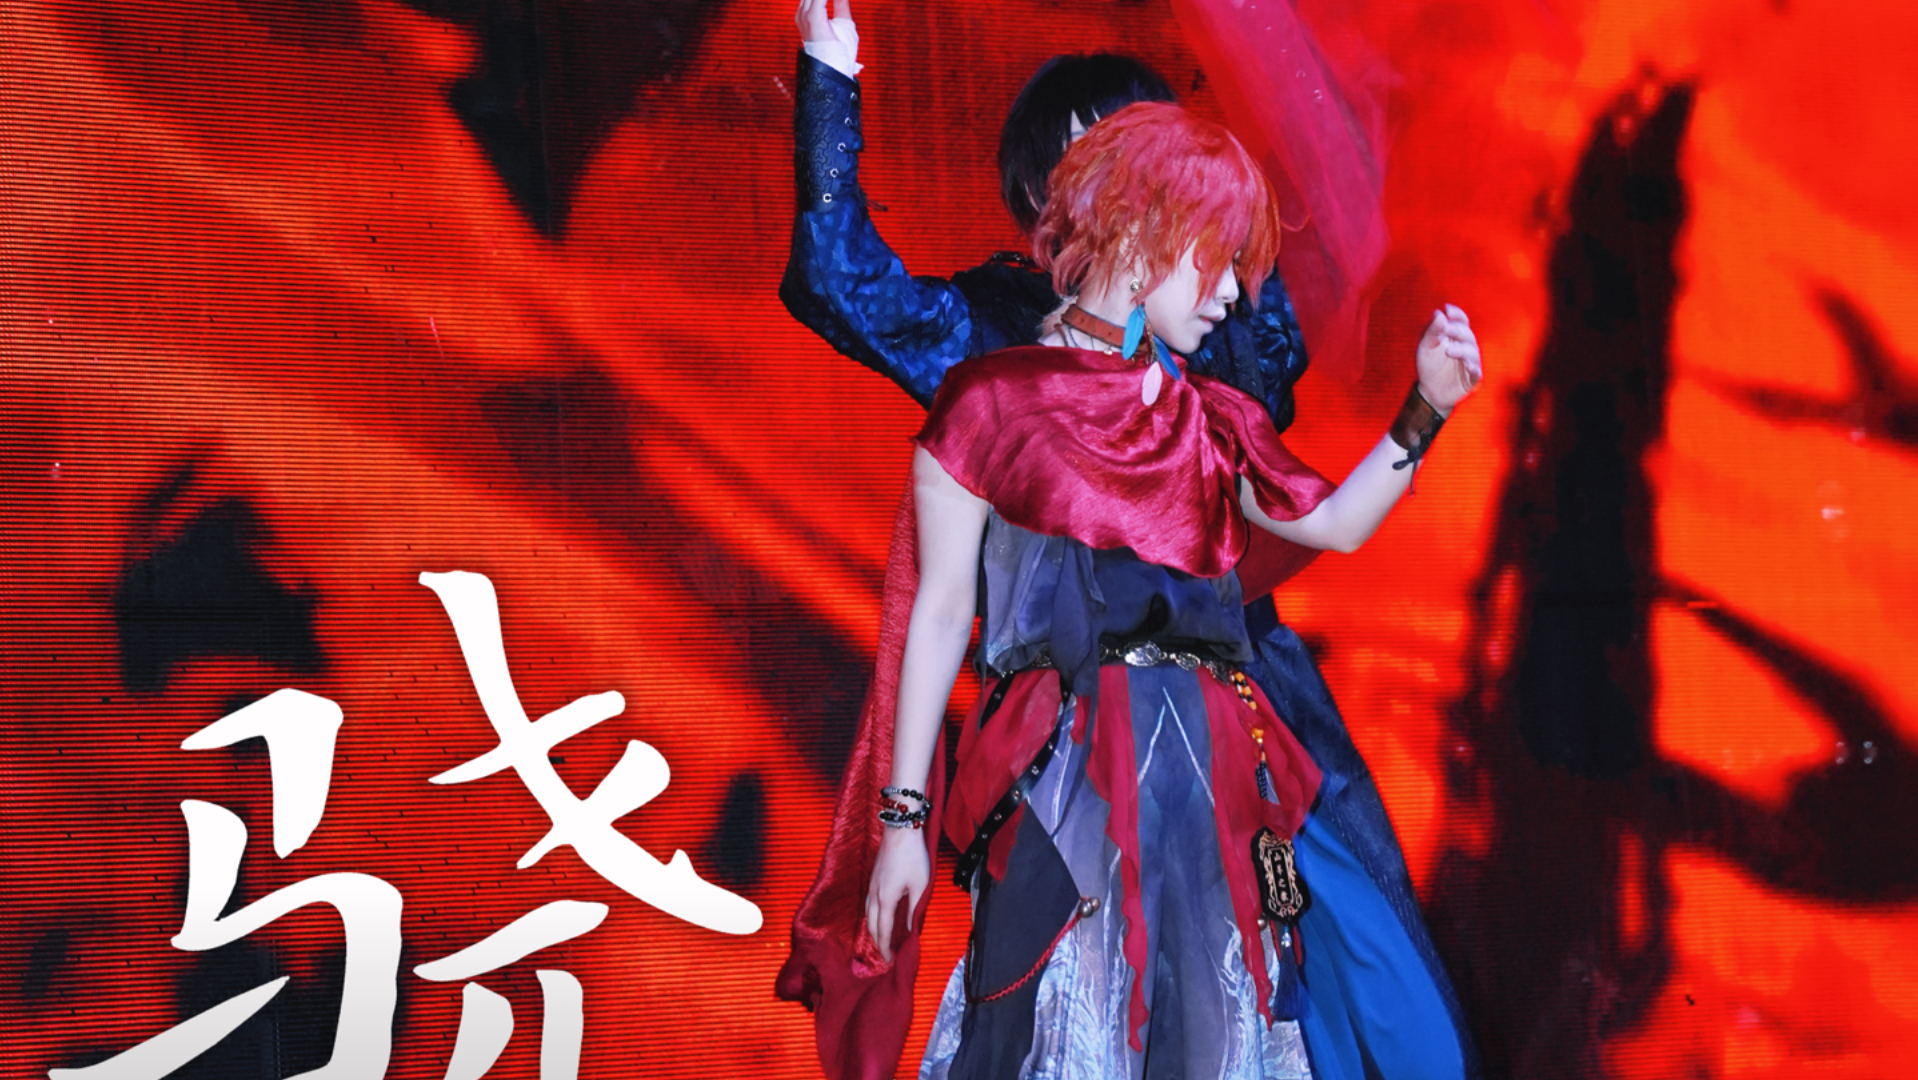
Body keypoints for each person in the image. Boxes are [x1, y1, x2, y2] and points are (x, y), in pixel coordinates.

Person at [777, 4, 1482, 1079]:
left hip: (1246, 706)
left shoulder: (1216, 357)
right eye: (1119, 156)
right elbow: (842, 283)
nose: (1146, 174)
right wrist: (830, 77)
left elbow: (1318, 502)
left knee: (1353, 991)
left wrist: (1421, 410)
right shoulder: (991, 358)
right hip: (1066, 735)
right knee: (1064, 1012)